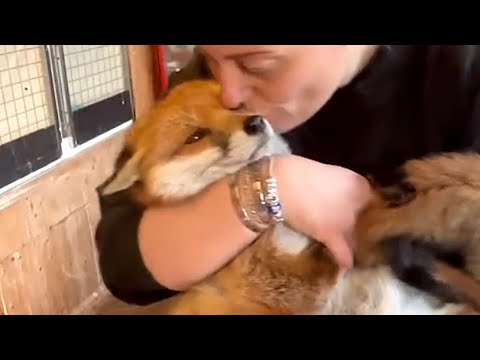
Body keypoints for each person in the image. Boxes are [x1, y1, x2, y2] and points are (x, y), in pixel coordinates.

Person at [95, 45, 480, 306]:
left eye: (258, 66)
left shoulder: (460, 71)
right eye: (209, 60)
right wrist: (272, 187)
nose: (228, 94)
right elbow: (122, 256)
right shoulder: (225, 66)